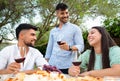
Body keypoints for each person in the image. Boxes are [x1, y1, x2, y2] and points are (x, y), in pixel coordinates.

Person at [45, 3, 84, 74]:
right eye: (62, 13)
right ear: (56, 14)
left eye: (67, 13)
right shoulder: (53, 31)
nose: (65, 15)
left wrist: (69, 48)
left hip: (67, 67)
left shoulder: (75, 29)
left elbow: (81, 46)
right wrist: (45, 63)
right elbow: (49, 48)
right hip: (52, 65)